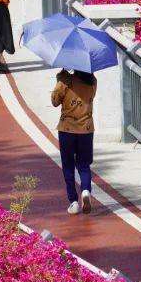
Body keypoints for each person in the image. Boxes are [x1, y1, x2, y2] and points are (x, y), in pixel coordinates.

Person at [51, 69, 96, 214]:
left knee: (68, 166)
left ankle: (73, 202)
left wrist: (60, 80)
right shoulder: (92, 81)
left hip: (67, 130)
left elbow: (55, 101)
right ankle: (86, 191)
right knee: (84, 165)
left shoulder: (65, 81)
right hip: (86, 130)